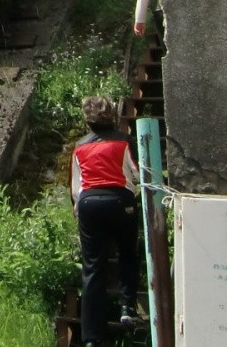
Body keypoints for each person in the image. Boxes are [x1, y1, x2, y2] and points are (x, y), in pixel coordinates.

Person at [72, 95, 141, 344]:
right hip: (120, 201)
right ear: (111, 114)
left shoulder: (80, 146)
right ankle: (127, 308)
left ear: (87, 119)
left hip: (89, 203)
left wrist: (79, 208)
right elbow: (137, 172)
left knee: (93, 268)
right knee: (127, 252)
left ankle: (91, 336)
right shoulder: (124, 141)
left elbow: (76, 188)